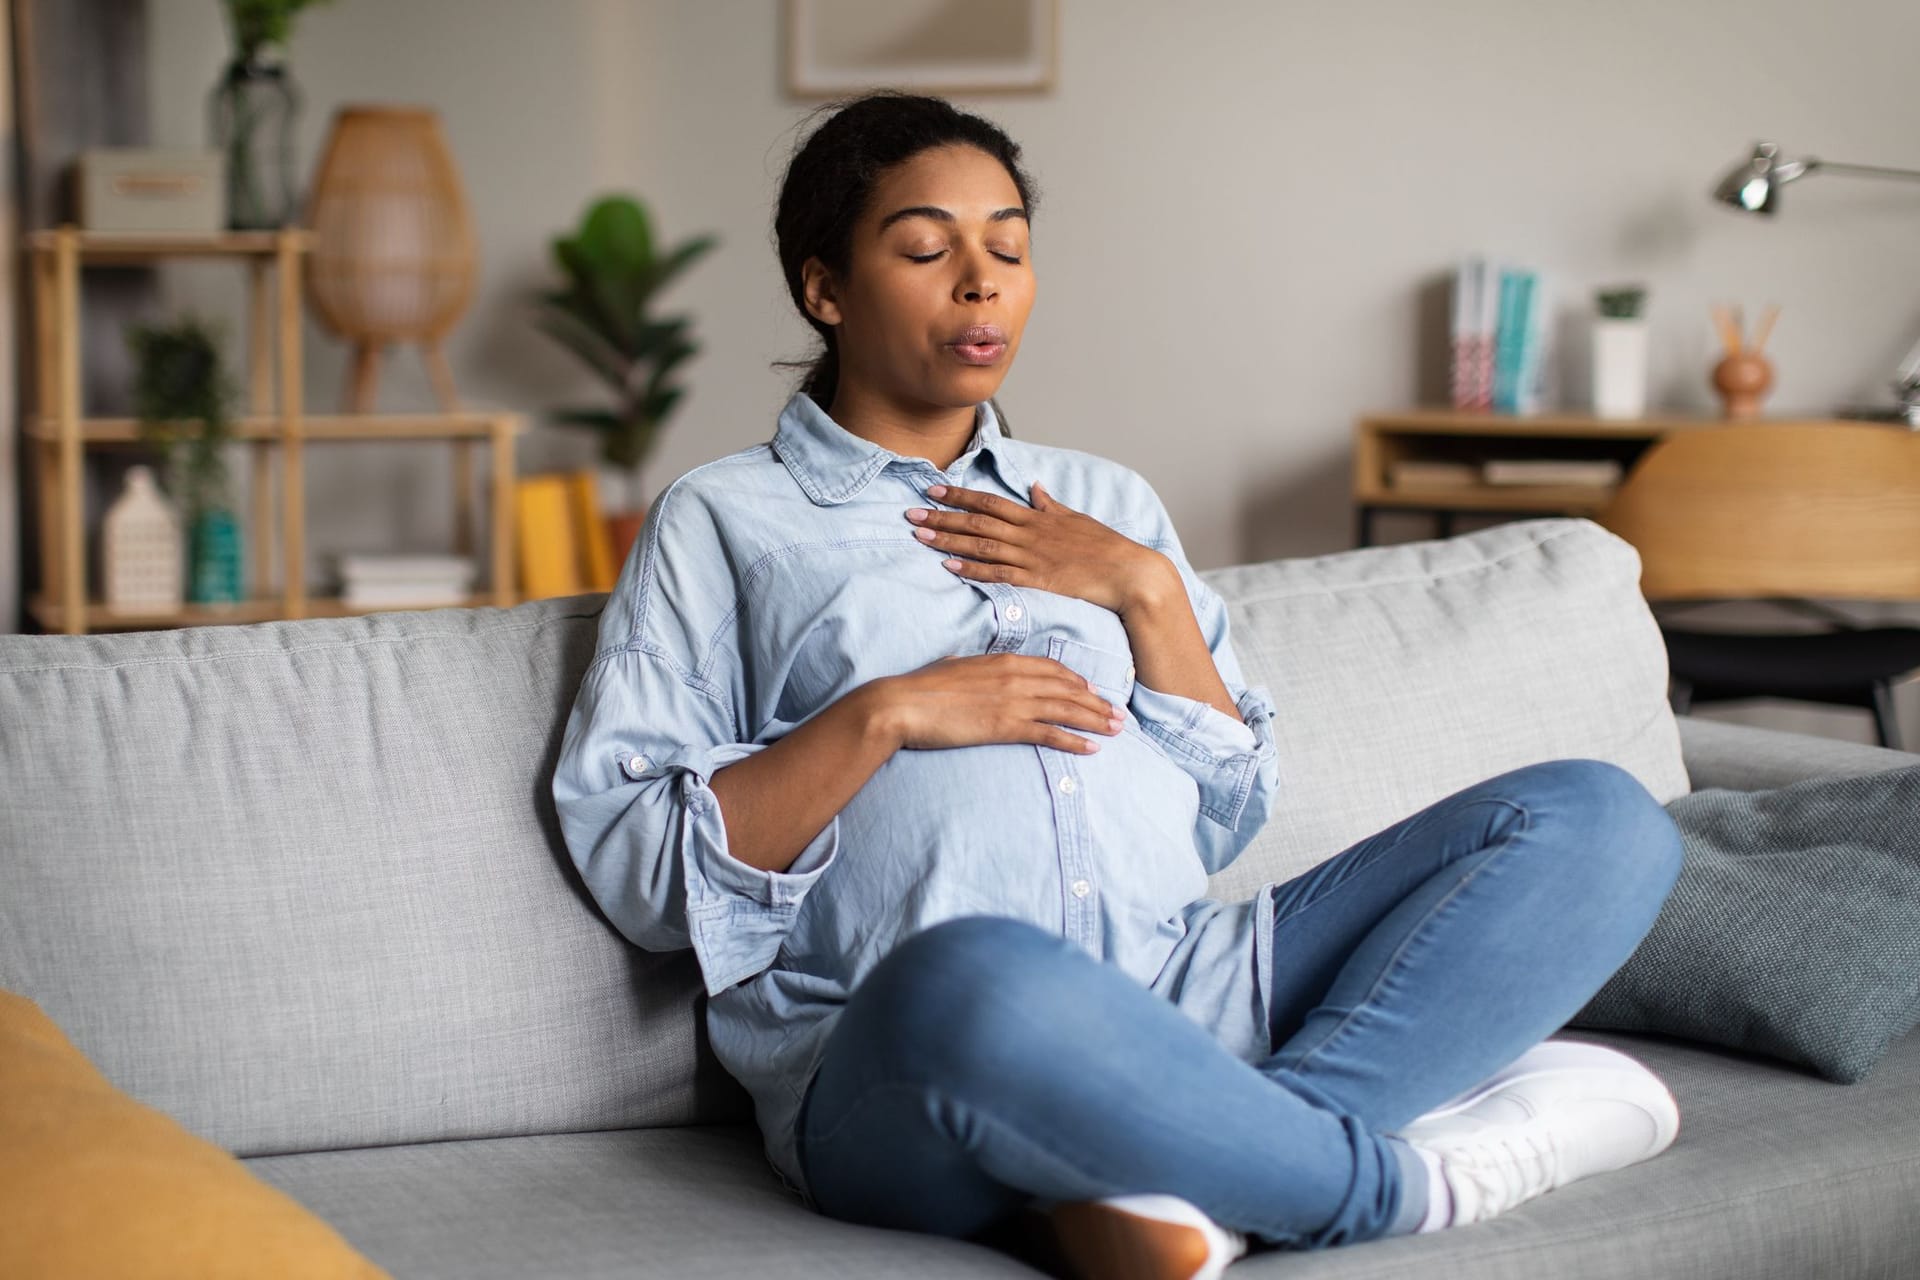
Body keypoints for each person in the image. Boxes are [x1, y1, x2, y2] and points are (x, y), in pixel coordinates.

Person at [550, 89, 1688, 1279]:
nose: (980, 281)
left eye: (1008, 247)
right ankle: (1396, 1178)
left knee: (1597, 818)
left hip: (1183, 989)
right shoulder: (722, 518)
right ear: (825, 288)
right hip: (907, 1044)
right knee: (977, 967)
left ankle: (1203, 1182)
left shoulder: (1109, 504)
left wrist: (1143, 588)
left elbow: (1221, 812)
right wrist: (886, 714)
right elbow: (643, 870)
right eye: (928, 248)